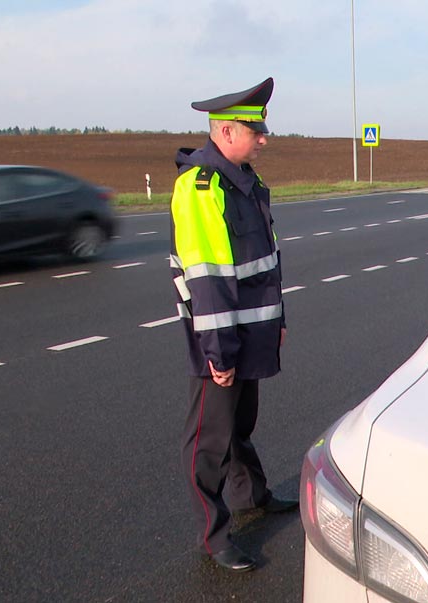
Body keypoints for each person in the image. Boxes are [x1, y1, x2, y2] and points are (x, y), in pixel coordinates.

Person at [169, 76, 297, 572]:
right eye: (255, 130)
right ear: (225, 134)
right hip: (221, 338)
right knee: (210, 442)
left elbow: (267, 262)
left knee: (241, 424)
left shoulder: (247, 183)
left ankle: (252, 496)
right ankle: (214, 533)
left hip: (252, 331)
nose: (264, 138)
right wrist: (218, 354)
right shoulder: (201, 188)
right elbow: (210, 279)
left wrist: (277, 321)